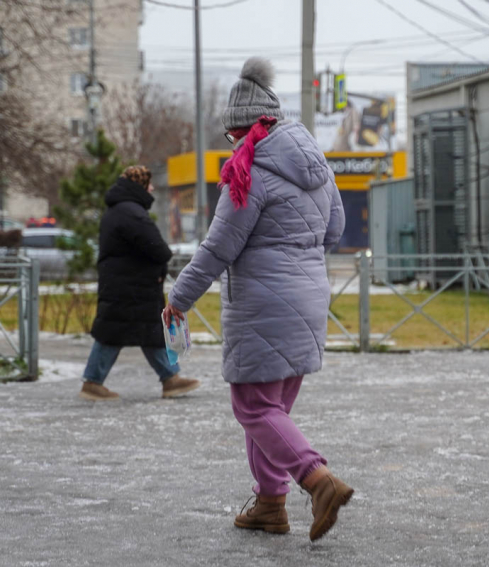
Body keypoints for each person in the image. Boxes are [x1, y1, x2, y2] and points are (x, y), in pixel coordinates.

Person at [164, 58, 351, 541]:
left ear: (245, 130)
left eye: (232, 137)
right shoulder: (317, 166)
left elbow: (218, 248)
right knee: (271, 410)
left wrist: (178, 298)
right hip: (310, 297)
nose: (233, 145)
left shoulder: (249, 173)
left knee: (252, 406)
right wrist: (295, 257)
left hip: (265, 304)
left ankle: (318, 480)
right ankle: (270, 505)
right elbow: (334, 230)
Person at [80, 165, 201, 401]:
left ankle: (170, 379)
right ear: (140, 186)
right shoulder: (131, 212)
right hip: (131, 287)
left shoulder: (120, 210)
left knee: (145, 331)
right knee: (114, 333)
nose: (153, 188)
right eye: (149, 183)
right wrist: (164, 256)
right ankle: (93, 382)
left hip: (128, 285)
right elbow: (157, 248)